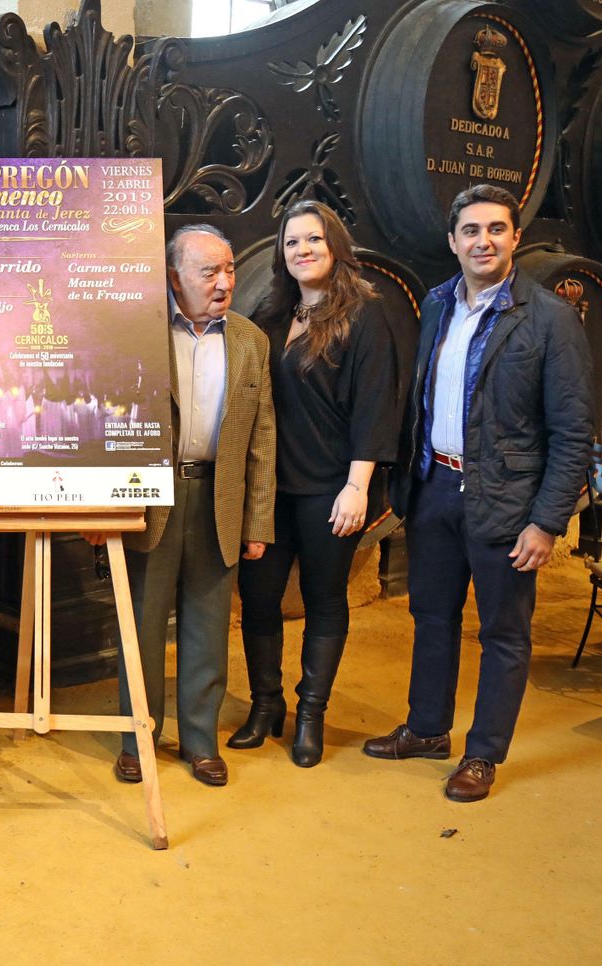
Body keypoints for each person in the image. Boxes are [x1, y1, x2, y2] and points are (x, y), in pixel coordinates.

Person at [363, 184, 591, 802]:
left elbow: (573, 431)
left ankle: (484, 753)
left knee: (503, 634)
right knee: (431, 617)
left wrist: (546, 521)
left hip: (508, 500)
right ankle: (427, 729)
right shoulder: (438, 303)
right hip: (435, 486)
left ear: (516, 237)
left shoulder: (550, 319)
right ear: (453, 241)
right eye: (470, 230)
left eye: (495, 229)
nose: (482, 241)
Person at [96, 224, 276, 788]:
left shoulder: (250, 341)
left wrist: (258, 522)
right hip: (150, 497)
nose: (224, 282)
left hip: (218, 499)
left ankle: (201, 741)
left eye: (229, 269)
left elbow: (262, 438)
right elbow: (103, 420)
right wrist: (101, 511)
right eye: (209, 272)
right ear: (174, 278)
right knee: (142, 623)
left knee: (208, 626)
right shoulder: (138, 333)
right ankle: (138, 739)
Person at [232, 200, 400, 766]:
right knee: (259, 598)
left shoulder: (364, 315)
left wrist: (358, 486)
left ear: (335, 246)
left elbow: (375, 405)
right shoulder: (272, 312)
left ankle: (310, 714)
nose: (302, 250)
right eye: (292, 242)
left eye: (313, 239)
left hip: (332, 486)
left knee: (324, 599)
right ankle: (265, 705)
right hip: (269, 488)